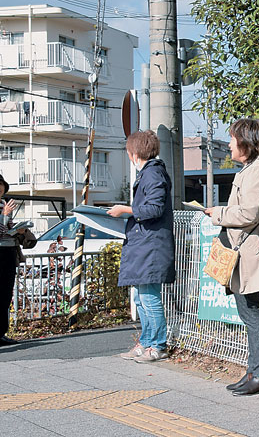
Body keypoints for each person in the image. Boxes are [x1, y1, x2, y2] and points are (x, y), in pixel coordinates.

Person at [204, 118, 259, 396]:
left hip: (250, 253)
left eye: (233, 139)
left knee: (251, 312)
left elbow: (248, 214)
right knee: (249, 311)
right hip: (246, 251)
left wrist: (218, 214)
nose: (229, 144)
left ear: (247, 142)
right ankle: (255, 369)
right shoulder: (252, 170)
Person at [109, 130, 175, 363]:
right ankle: (146, 342)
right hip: (146, 245)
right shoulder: (151, 174)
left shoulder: (153, 174)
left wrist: (125, 210)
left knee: (149, 297)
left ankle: (157, 345)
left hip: (151, 246)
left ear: (134, 153)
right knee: (140, 297)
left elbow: (154, 209)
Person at [0, 174, 24, 346]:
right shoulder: (4, 208)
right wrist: (5, 215)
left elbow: (7, 228)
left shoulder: (3, 204)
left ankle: (1, 332)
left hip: (8, 252)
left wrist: (18, 230)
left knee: (6, 294)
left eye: (2, 187)